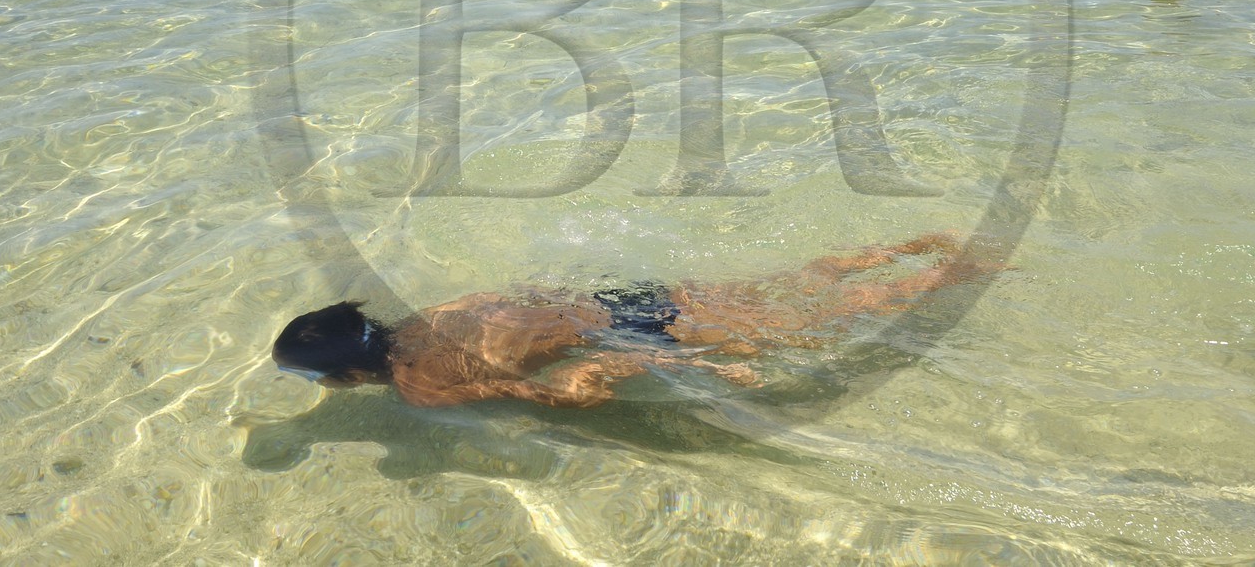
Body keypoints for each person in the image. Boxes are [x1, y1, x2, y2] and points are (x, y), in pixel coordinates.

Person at [273, 233, 988, 408]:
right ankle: (906, 249)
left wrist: (594, 385)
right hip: (623, 297)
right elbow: (531, 295)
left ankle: (953, 274)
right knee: (786, 286)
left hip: (630, 333)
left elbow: (537, 392)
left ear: (347, 376)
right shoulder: (433, 316)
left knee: (809, 327)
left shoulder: (419, 386)